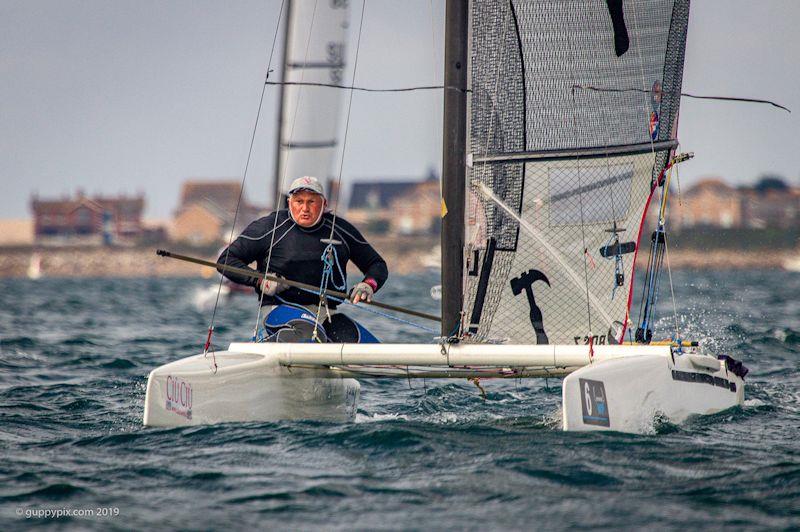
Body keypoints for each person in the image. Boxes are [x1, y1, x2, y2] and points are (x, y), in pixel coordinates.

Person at [217, 176, 388, 343]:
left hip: (326, 315)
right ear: (290, 202)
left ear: (324, 204)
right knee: (309, 334)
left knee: (376, 354)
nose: (305, 208)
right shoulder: (269, 226)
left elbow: (376, 264)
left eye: (311, 201)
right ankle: (266, 343)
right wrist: (260, 280)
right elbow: (226, 260)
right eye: (299, 201)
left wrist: (368, 285)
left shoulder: (341, 230)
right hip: (280, 310)